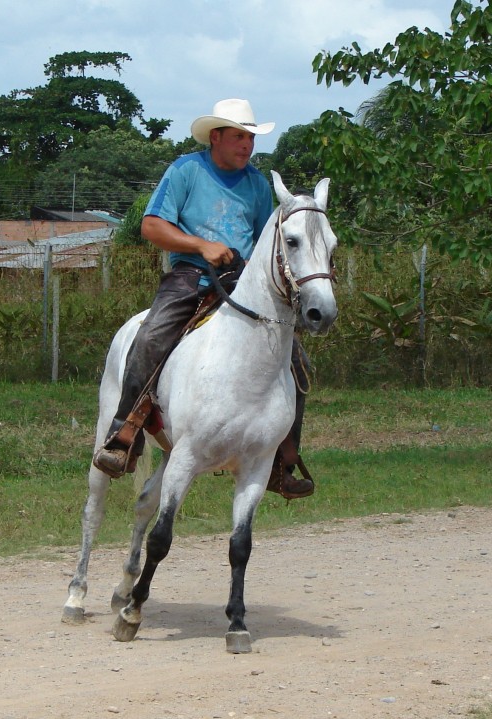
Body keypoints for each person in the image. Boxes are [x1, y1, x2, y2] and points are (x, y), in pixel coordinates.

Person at [92, 98, 315, 499]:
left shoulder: (257, 183)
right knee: (151, 336)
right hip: (190, 276)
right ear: (216, 137)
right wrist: (201, 245)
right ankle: (123, 435)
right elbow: (152, 226)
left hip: (242, 282)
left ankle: (282, 459)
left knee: (296, 361)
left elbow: (268, 240)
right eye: (239, 137)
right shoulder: (186, 170)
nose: (247, 145)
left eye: (250, 137)